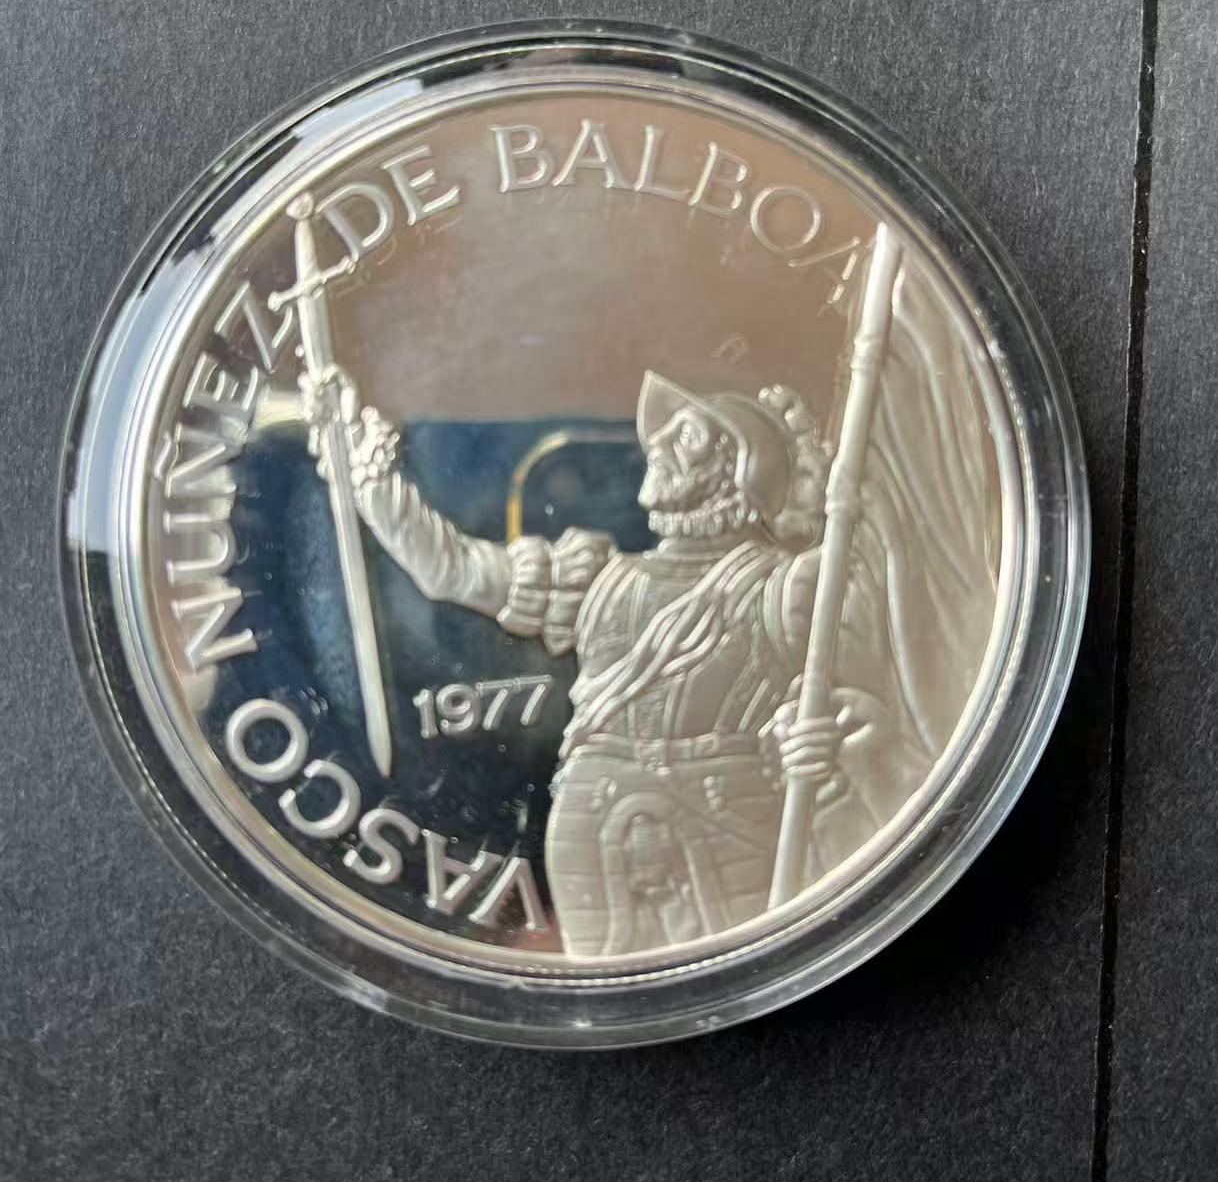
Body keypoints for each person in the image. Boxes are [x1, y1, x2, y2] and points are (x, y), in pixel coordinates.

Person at [302, 367, 930, 957]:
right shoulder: (599, 580)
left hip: (726, 825)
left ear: (741, 471)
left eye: (688, 436)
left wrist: (824, 739)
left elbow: (872, 704)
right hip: (591, 834)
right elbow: (452, 569)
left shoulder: (790, 589)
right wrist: (365, 470)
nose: (659, 444)